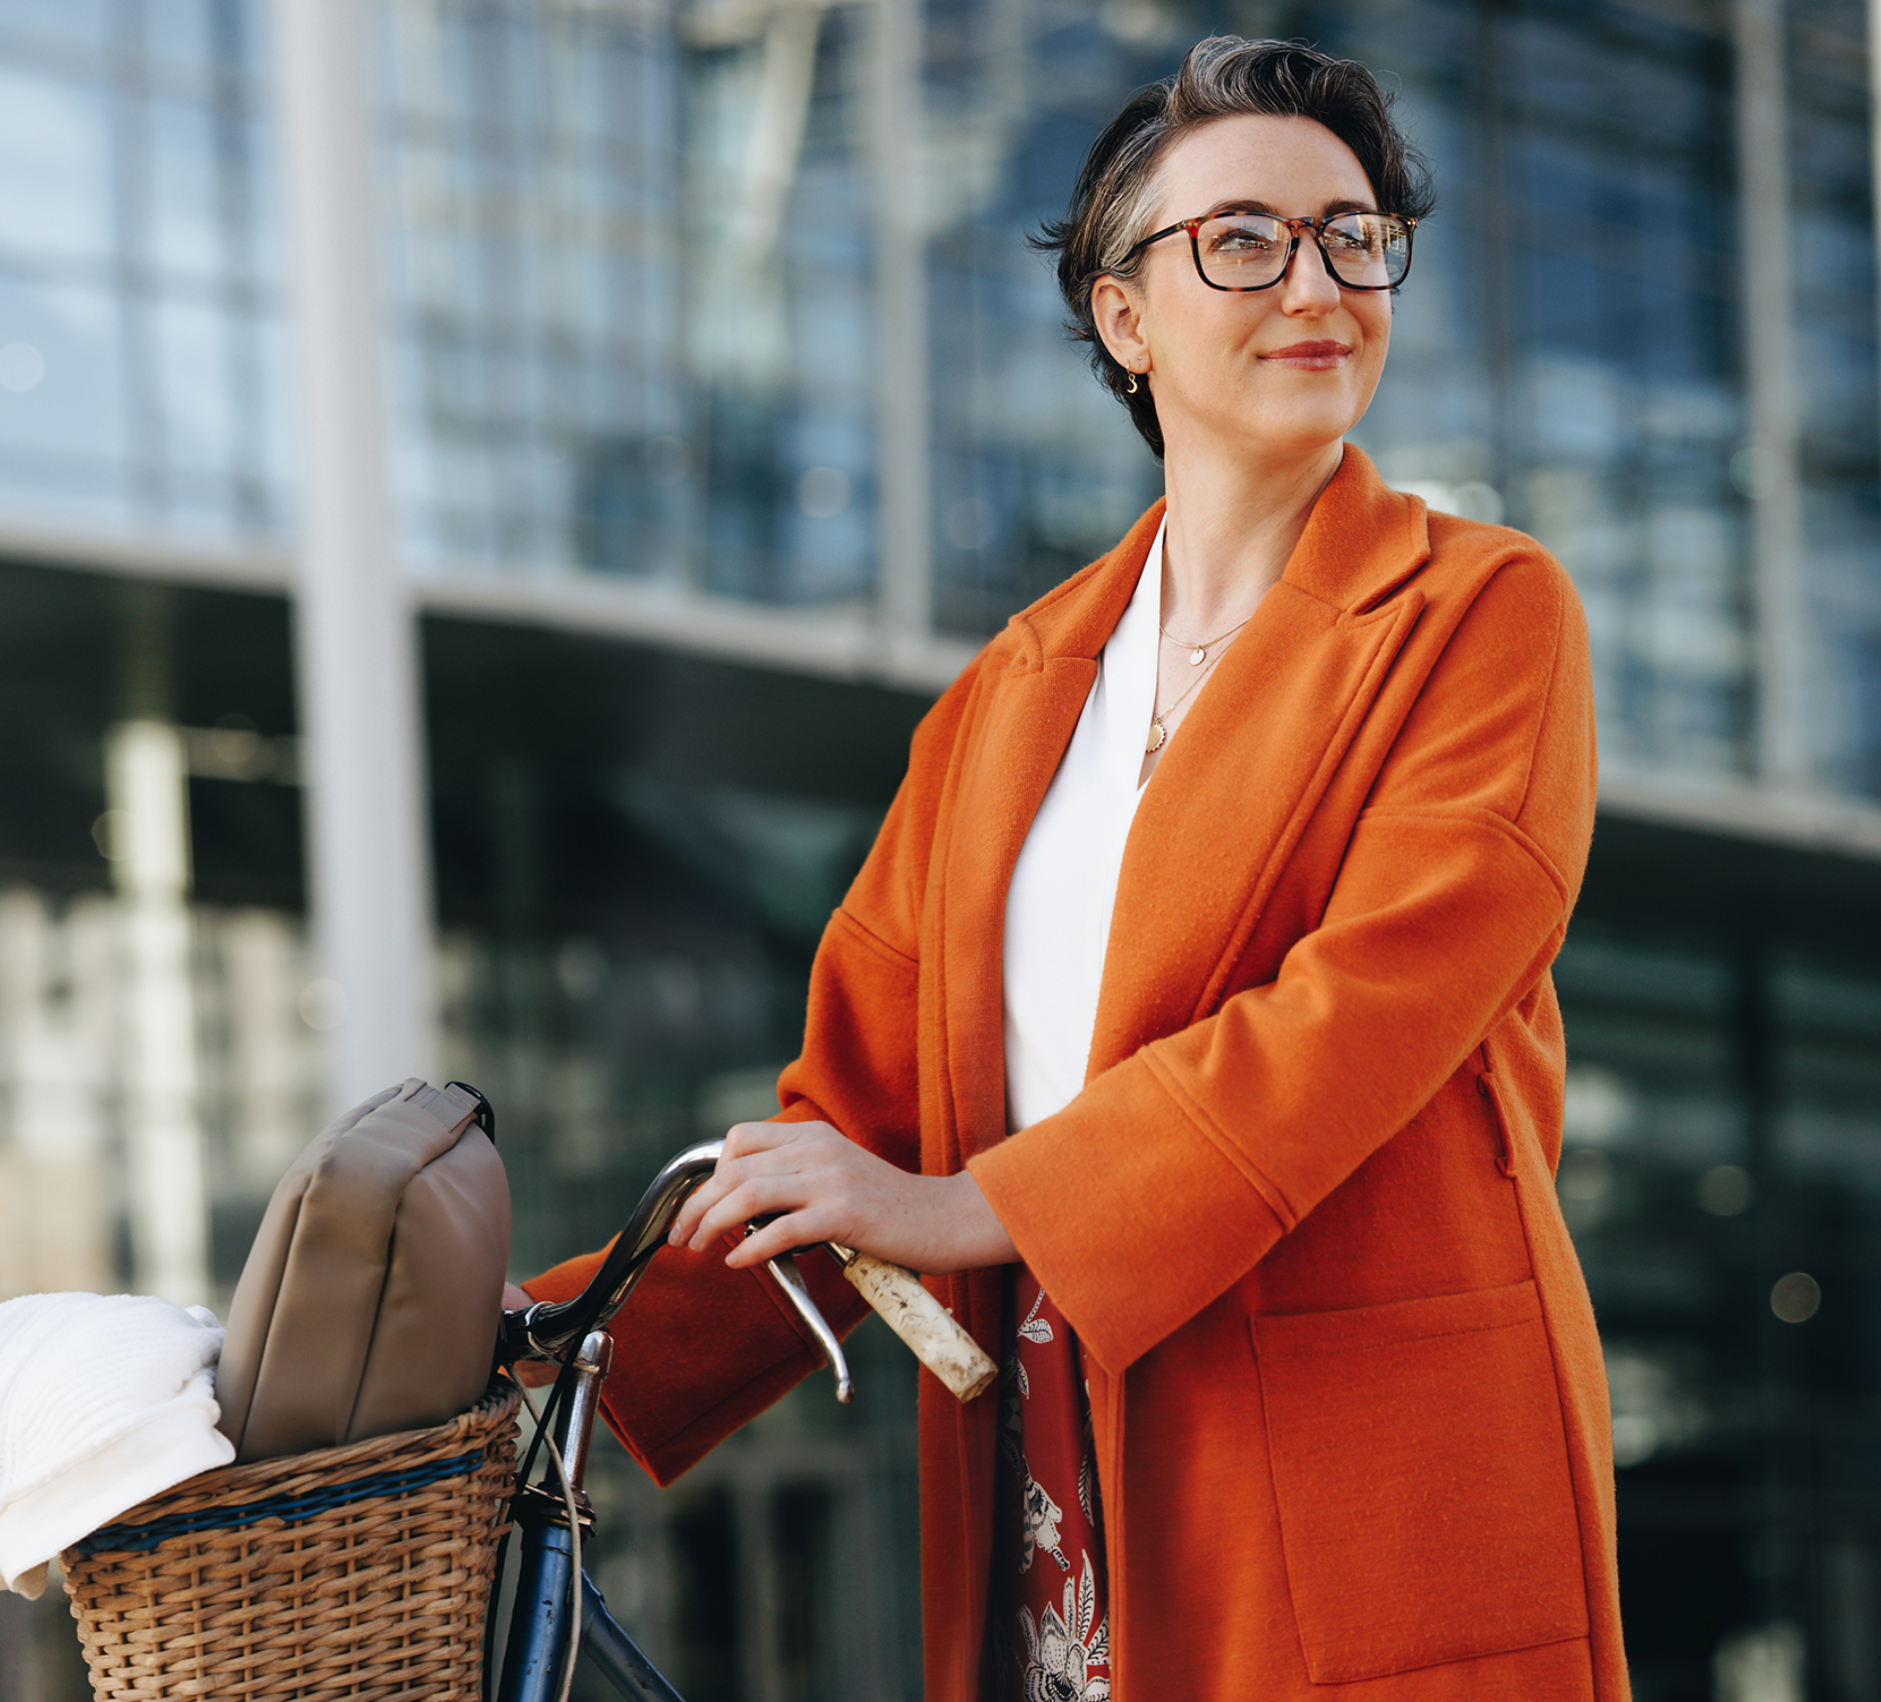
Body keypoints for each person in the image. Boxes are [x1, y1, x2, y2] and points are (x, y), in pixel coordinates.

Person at [516, 34, 1624, 1702]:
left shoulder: (1482, 612)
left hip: (1373, 1469)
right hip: (1072, 1461)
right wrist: (538, 1365)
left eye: (1355, 232)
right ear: (1124, 314)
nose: (1315, 280)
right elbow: (853, 1135)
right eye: (1243, 238)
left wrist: (974, 1205)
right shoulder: (1008, 698)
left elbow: (1363, 1014)